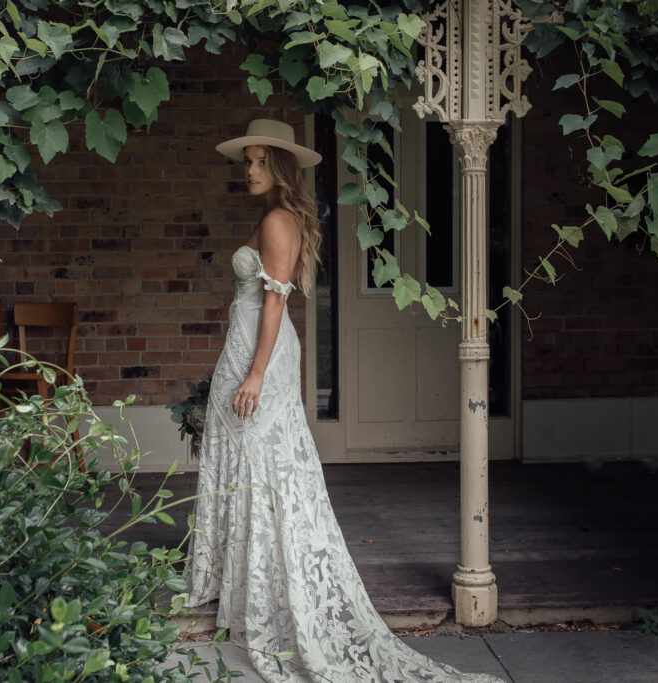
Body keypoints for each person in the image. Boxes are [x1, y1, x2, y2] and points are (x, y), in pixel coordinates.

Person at [184, 119, 504, 683]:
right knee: (256, 463)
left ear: (281, 166)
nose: (249, 170)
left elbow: (275, 305)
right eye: (247, 161)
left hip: (260, 353)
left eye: (259, 161)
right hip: (251, 345)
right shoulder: (280, 217)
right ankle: (247, 584)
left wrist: (255, 373)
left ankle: (264, 589)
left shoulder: (278, 221)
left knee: (262, 464)